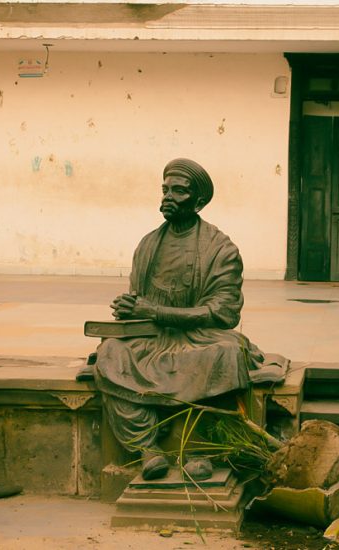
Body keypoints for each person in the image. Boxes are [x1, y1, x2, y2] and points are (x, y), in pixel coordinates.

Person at [93, 158, 285, 481]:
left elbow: (223, 313)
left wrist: (154, 311)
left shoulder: (220, 248)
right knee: (110, 354)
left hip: (200, 336)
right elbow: (140, 299)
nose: (168, 197)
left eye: (178, 191)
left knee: (226, 355)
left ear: (198, 202)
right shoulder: (148, 245)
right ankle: (147, 447)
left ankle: (198, 447)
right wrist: (130, 307)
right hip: (153, 337)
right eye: (165, 189)